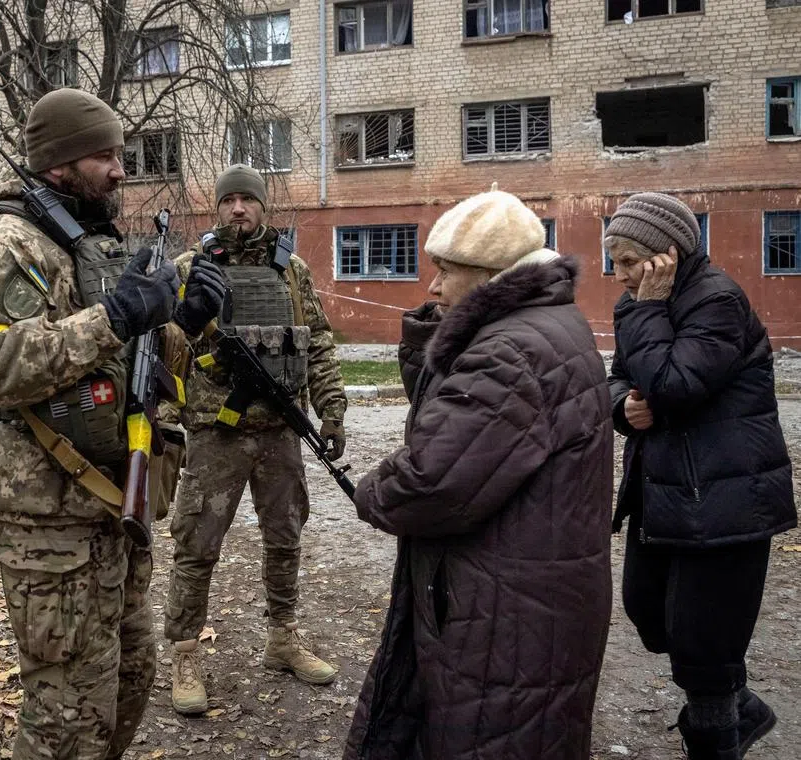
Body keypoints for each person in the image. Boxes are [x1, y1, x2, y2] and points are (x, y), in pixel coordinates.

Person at [0, 88, 223, 759]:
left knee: (128, 682)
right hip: (50, 520)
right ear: (61, 163)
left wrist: (179, 325)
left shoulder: (85, 241)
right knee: (67, 712)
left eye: (121, 154)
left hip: (115, 508)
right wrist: (116, 317)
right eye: (105, 154)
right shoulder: (1, 241)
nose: (121, 170)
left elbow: (130, 370)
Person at [344, 187, 613, 760]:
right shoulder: (547, 323)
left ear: (493, 277)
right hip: (532, 593)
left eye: (446, 272)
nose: (433, 288)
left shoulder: (511, 352)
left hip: (506, 612)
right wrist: (437, 340)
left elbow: (433, 479)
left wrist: (369, 493)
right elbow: (466, 428)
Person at [605, 192, 797, 759]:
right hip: (665, 491)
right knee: (646, 609)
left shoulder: (716, 301)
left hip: (726, 494)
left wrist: (648, 312)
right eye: (613, 260)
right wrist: (622, 408)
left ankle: (716, 735)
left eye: (627, 261)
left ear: (666, 255)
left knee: (703, 644)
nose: (619, 276)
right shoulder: (637, 301)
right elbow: (622, 379)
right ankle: (743, 708)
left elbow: (673, 386)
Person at [164, 164, 348, 715]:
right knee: (196, 545)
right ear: (216, 209)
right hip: (215, 432)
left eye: (248, 200)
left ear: (264, 207)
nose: (238, 209)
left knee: (286, 537)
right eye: (229, 201)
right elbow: (165, 350)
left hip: (280, 432)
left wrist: (332, 409)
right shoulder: (189, 269)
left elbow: (316, 343)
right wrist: (169, 417)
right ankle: (184, 653)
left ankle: (282, 638)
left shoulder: (290, 271)